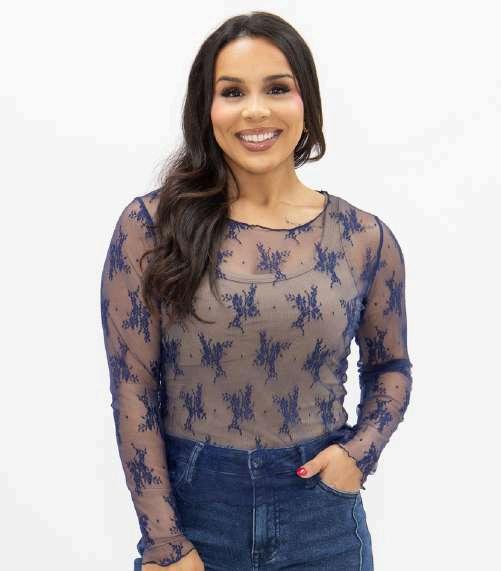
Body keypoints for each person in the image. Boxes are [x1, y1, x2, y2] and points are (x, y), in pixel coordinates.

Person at [100, 11, 413, 571]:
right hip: (195, 513)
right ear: (206, 108)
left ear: (306, 100)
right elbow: (133, 391)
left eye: (277, 88)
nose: (255, 111)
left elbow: (390, 366)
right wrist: (165, 541)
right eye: (232, 92)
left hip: (322, 518)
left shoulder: (364, 238)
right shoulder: (150, 227)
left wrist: (358, 455)